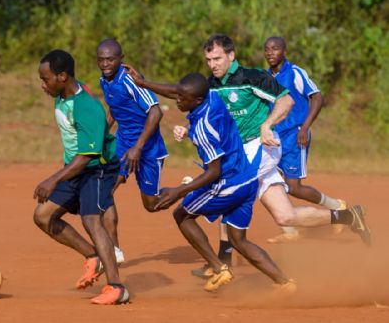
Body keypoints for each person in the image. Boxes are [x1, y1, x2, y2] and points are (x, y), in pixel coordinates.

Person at [164, 34, 370, 278]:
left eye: (217, 58)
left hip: (262, 148)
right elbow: (203, 112)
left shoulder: (252, 76)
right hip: (245, 154)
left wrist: (267, 125)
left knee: (230, 187)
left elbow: (287, 101)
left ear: (231, 55)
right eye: (208, 60)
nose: (213, 64)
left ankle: (221, 263)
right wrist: (187, 129)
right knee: (286, 217)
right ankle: (348, 216)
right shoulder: (212, 86)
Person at [124, 68, 296, 292]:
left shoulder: (203, 128)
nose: (177, 100)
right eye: (177, 95)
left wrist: (180, 190)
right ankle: (285, 283)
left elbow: (213, 172)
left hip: (228, 184)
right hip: (248, 180)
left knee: (182, 214)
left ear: (196, 100)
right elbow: (177, 89)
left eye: (182, 98)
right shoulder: (212, 97)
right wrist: (144, 84)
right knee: (239, 240)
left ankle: (219, 268)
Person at [32, 49, 129, 305]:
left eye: (46, 79)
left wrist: (52, 180)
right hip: (74, 167)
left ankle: (117, 287)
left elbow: (87, 157)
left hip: (97, 168)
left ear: (62, 76)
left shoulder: (85, 108)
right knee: (42, 216)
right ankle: (93, 256)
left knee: (91, 220)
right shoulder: (64, 94)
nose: (43, 84)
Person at [264, 36, 347, 239]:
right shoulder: (266, 78)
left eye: (275, 49)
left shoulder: (295, 72)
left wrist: (305, 127)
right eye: (267, 49)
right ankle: (290, 231)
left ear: (284, 51)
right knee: (267, 180)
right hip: (275, 137)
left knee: (294, 187)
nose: (270, 53)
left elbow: (317, 96)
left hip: (295, 135)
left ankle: (336, 206)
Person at [97, 39, 168, 210]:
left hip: (148, 146)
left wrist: (138, 147)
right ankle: (105, 236)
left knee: (152, 205)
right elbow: (115, 107)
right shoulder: (104, 80)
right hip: (122, 142)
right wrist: (101, 134)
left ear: (121, 58)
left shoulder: (130, 80)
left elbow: (156, 112)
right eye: (101, 59)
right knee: (106, 190)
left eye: (110, 59)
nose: (105, 64)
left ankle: (186, 189)